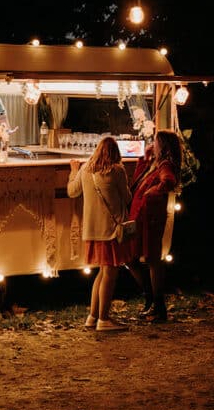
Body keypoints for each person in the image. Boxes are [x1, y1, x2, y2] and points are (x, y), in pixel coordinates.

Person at [67, 136, 132, 332]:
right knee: (110, 274)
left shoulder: (86, 169)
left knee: (102, 273)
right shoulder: (117, 170)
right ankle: (104, 319)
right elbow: (127, 197)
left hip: (92, 230)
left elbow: (72, 192)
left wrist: (73, 172)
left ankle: (92, 316)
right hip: (111, 231)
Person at [124, 129, 182, 321]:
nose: (152, 144)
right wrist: (144, 157)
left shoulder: (165, 164)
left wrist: (154, 191)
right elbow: (136, 181)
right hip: (139, 215)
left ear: (162, 145)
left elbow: (169, 181)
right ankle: (151, 300)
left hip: (150, 217)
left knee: (151, 258)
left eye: (155, 142)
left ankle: (157, 305)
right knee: (132, 257)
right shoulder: (154, 163)